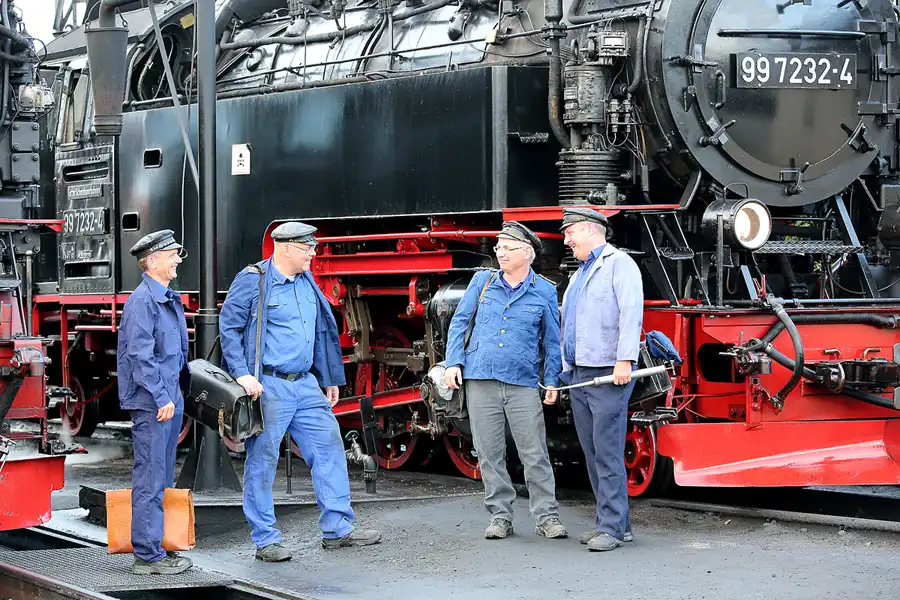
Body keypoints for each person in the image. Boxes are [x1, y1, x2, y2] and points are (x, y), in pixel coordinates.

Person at [219, 221, 382, 562]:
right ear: (286, 247)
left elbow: (322, 332)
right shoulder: (253, 280)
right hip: (268, 385)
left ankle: (337, 529)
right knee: (262, 460)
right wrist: (243, 375)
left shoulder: (307, 282)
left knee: (329, 449)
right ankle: (265, 539)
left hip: (306, 384)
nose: (313, 252)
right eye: (307, 247)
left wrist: (330, 378)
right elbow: (229, 328)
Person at [443, 221, 567, 540]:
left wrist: (551, 380)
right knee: (489, 453)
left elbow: (552, 342)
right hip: (480, 378)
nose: (500, 253)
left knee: (534, 452)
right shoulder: (482, 281)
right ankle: (500, 516)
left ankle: (546, 517)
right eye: (498, 248)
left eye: (507, 248)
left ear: (527, 253)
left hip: (522, 381)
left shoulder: (544, 291)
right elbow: (459, 322)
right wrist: (454, 362)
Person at [559, 208, 643, 552]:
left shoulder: (618, 264)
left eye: (569, 233)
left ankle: (611, 526)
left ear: (589, 230)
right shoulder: (580, 273)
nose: (566, 241)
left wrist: (625, 360)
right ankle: (613, 525)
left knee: (606, 451)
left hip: (608, 371)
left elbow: (631, 312)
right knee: (593, 452)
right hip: (581, 372)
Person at [116, 229, 193, 575]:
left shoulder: (165, 297)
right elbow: (140, 355)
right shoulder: (142, 302)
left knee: (161, 474)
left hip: (167, 398)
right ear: (152, 261)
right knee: (150, 475)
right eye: (172, 254)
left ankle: (157, 544)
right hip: (154, 401)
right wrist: (163, 396)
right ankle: (147, 555)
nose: (178, 259)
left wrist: (177, 393)